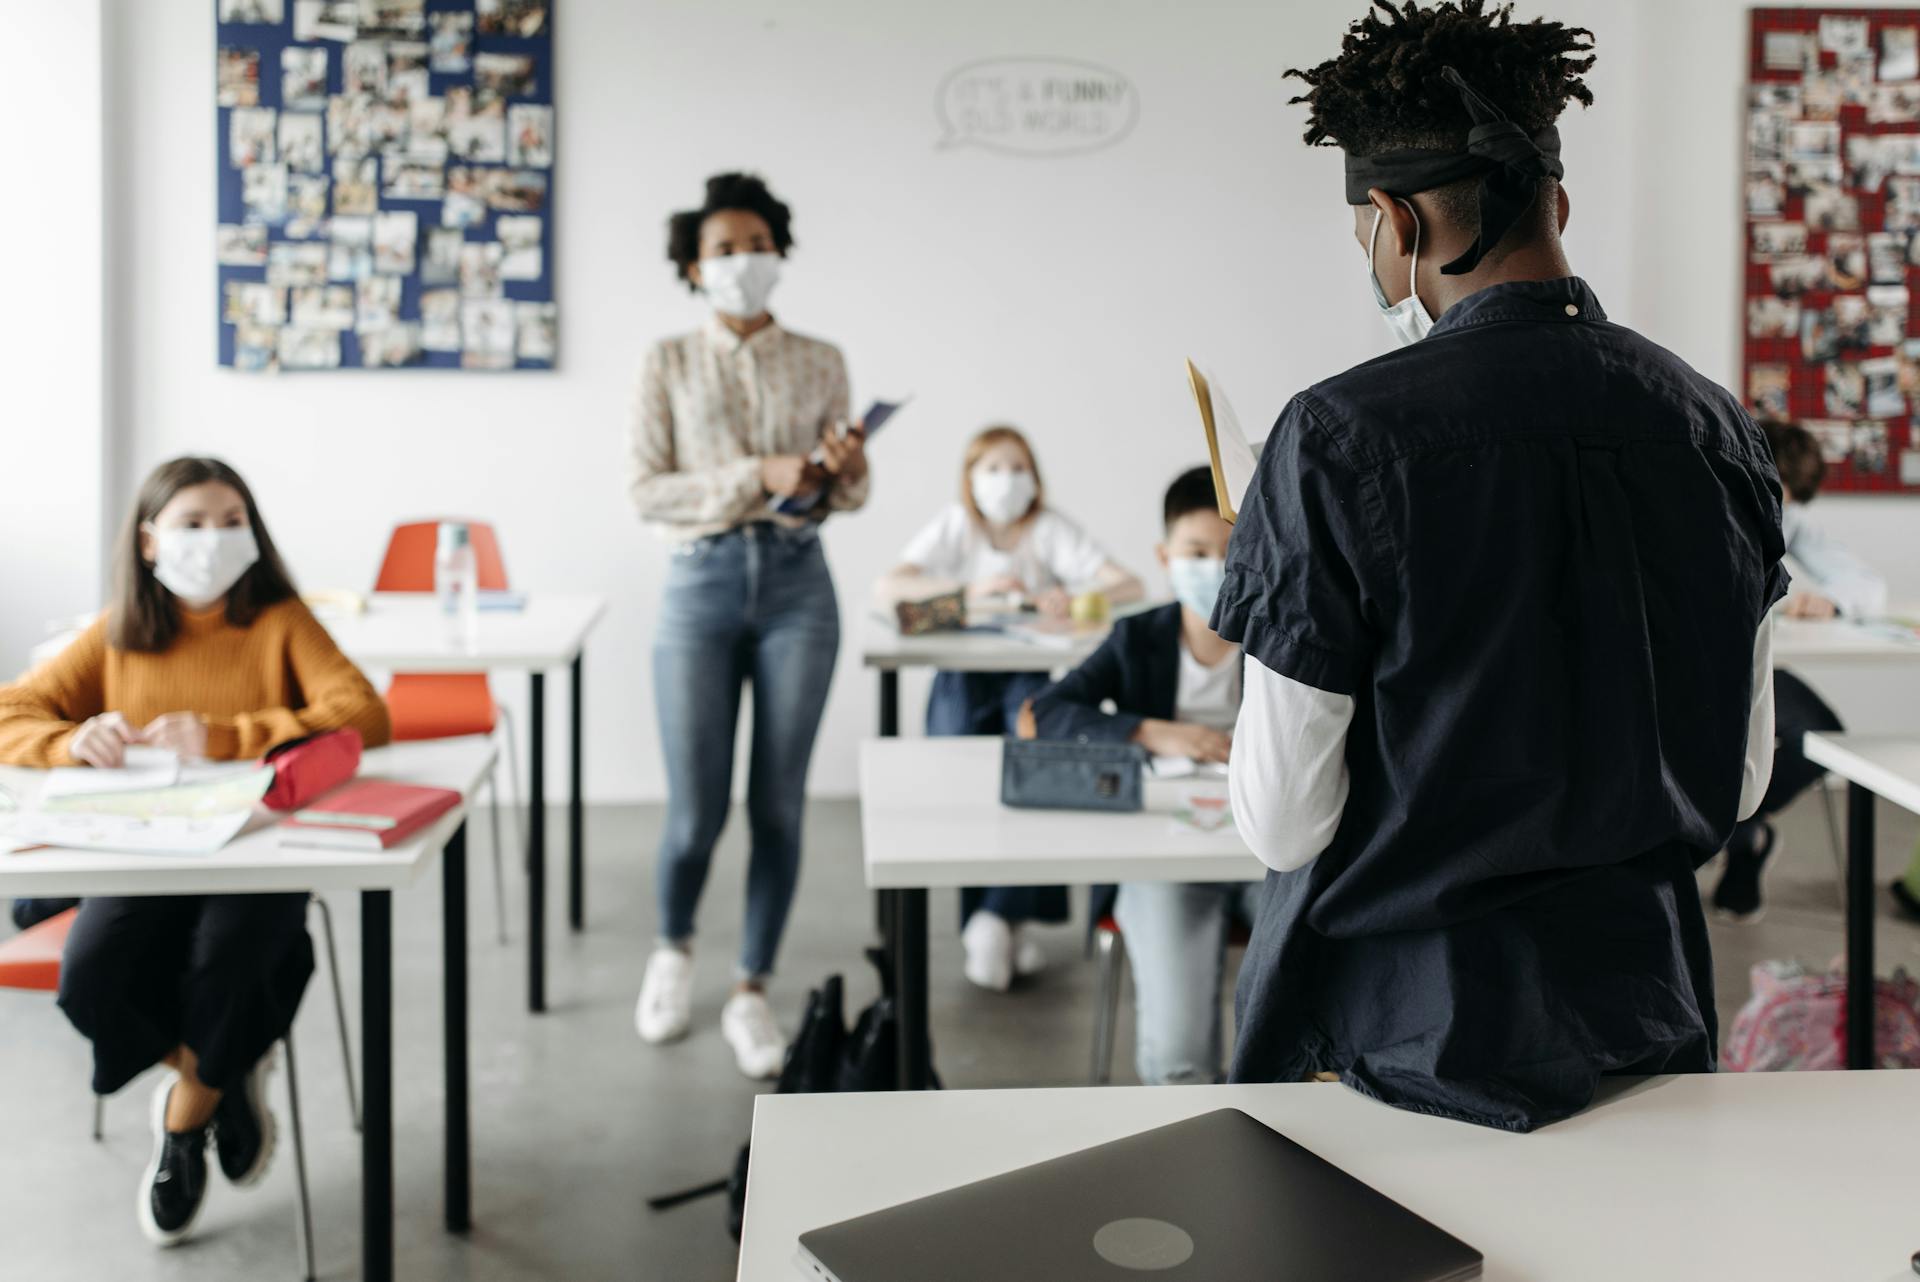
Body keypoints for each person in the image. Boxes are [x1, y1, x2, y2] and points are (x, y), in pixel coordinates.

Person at [1212, 0, 1785, 1131]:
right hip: (1648, 1018)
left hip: (1410, 1037)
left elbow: (1281, 823)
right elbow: (1745, 777)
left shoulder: (1335, 437)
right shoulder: (1717, 428)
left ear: (1390, 219)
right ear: (1557, 201)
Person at [0, 456, 392, 1245]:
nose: (214, 539)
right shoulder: (119, 630)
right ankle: (222, 1071)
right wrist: (72, 740)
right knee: (91, 977)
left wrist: (228, 737)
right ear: (149, 542)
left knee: (236, 958)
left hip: (257, 852)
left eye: (231, 520)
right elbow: (14, 711)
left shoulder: (279, 617)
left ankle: (184, 1123)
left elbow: (364, 714)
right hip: (144, 851)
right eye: (192, 523)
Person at [628, 172, 869, 1078]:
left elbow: (844, 492)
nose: (744, 262)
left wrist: (835, 472)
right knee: (695, 811)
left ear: (781, 253)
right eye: (724, 250)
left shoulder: (821, 358)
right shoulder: (664, 362)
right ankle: (671, 950)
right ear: (693, 267)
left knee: (778, 802)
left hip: (800, 585)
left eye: (758, 245)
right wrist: (754, 474)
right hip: (699, 583)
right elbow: (646, 489)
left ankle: (751, 987)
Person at [876, 425, 1143, 990]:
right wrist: (966, 596)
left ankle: (1003, 916)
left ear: (1035, 477)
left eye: (1018, 467)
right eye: (993, 468)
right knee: (963, 794)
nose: (1006, 480)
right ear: (971, 478)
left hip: (1025, 677)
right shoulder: (955, 526)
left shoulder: (1048, 529)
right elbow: (889, 589)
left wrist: (1069, 598)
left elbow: (1127, 583)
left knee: (1032, 789)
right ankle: (988, 920)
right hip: (960, 680)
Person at [1028, 466, 1260, 1083]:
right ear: (1165, 557)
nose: (1215, 566)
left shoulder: (1283, 636)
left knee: (1317, 1007)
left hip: (1272, 854)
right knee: (1178, 1056)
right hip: (1165, 856)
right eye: (1197, 551)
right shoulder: (1138, 638)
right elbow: (1042, 715)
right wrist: (1152, 730)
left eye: (1233, 551)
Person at [1713, 420, 1885, 922]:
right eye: (1774, 493)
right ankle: (1739, 839)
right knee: (1731, 745)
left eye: (1786, 501)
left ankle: (1743, 829)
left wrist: (1831, 602)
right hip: (1701, 674)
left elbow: (1866, 586)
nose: (1777, 510)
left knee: (1824, 737)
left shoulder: (1790, 521)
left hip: (1759, 670)